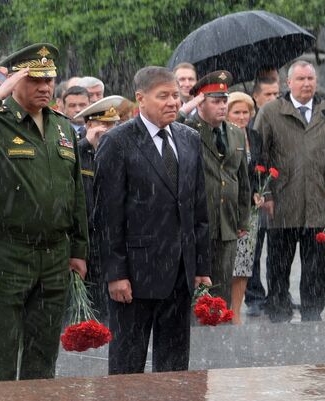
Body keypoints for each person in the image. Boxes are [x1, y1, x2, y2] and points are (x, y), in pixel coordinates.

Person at [0, 45, 88, 382]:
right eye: (34, 80)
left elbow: (75, 193)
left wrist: (79, 250)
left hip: (54, 254)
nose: (45, 87)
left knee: (43, 352)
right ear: (15, 81)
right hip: (6, 252)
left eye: (49, 80)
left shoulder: (62, 127)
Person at [94, 66, 212, 374]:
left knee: (174, 367)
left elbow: (198, 209)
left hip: (180, 273)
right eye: (163, 96)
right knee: (127, 366)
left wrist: (201, 266)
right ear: (141, 98)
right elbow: (107, 215)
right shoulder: (117, 142)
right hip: (135, 275)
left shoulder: (189, 139)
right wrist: (115, 274)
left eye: (175, 95)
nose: (172, 102)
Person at [255, 60, 325, 322]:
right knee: (278, 266)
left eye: (310, 79)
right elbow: (259, 157)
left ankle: (312, 313)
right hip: (281, 205)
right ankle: (278, 312)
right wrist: (265, 194)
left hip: (317, 205)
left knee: (315, 268)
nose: (307, 84)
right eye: (301, 79)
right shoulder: (271, 112)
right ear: (289, 83)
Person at [184, 71, 252, 303]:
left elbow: (242, 179)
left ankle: (221, 323)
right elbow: (169, 124)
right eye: (215, 101)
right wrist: (188, 106)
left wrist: (243, 219)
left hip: (228, 222)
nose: (222, 106)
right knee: (197, 289)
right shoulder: (188, 129)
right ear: (201, 103)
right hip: (199, 221)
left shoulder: (235, 132)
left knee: (222, 287)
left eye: (224, 101)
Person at [73, 95, 125, 313]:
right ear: (89, 125)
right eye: (103, 125)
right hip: (84, 240)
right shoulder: (78, 151)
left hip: (111, 241)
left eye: (113, 125)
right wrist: (86, 143)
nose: (109, 131)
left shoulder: (119, 152)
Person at [243, 73, 281, 313]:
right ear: (255, 97)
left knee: (277, 251)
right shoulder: (248, 125)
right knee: (253, 251)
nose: (273, 98)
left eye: (277, 93)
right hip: (255, 198)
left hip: (279, 193)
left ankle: (278, 294)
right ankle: (254, 296)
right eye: (268, 94)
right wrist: (261, 192)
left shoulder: (282, 118)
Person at [225, 91, 261, 323]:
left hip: (249, 210)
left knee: (244, 264)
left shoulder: (255, 136)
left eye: (245, 112)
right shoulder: (223, 135)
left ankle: (236, 313)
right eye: (236, 112)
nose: (241, 116)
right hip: (227, 208)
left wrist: (259, 191)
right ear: (227, 114)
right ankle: (222, 310)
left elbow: (259, 168)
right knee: (226, 263)